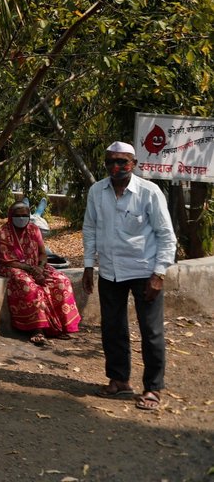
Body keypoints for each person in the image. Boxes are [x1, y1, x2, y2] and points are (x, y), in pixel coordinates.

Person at [83, 141, 176, 411]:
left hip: (143, 271)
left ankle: (152, 388)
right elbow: (90, 228)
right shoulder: (97, 191)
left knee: (151, 331)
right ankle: (119, 380)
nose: (116, 167)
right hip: (110, 271)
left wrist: (159, 274)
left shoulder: (149, 192)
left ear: (133, 163)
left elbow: (166, 236)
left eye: (122, 162)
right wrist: (89, 266)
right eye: (110, 161)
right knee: (112, 328)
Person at [0, 202, 81, 346]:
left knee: (61, 281)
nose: (21, 218)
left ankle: (61, 326)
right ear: (11, 216)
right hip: (12, 266)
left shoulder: (34, 230)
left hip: (36, 265)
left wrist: (40, 267)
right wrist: (30, 269)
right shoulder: (4, 232)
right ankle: (38, 329)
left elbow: (42, 254)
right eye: (18, 216)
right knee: (30, 287)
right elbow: (6, 260)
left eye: (25, 215)